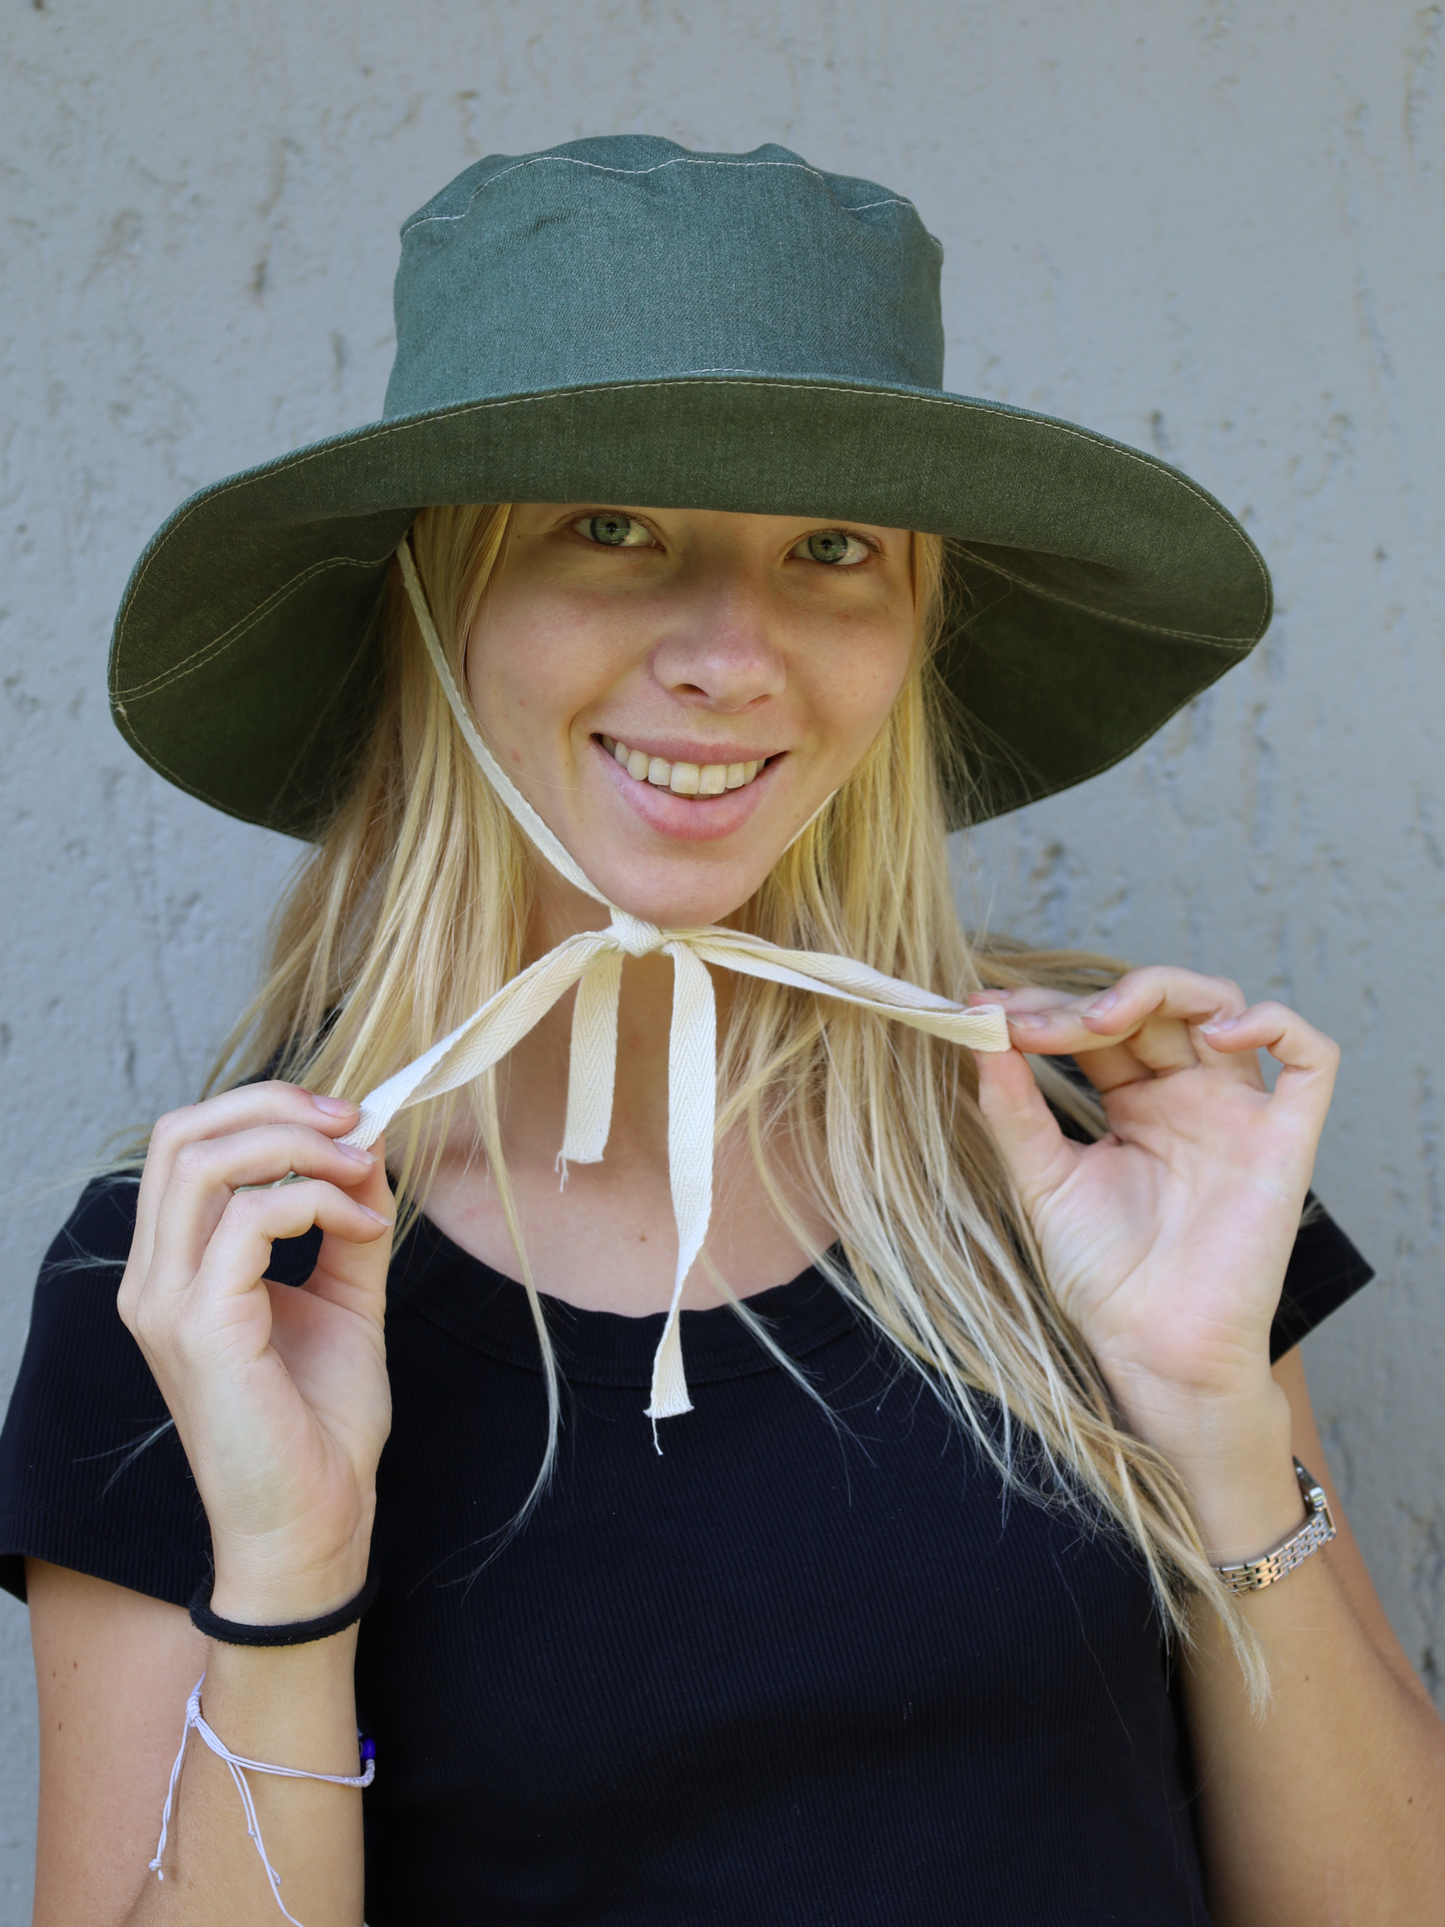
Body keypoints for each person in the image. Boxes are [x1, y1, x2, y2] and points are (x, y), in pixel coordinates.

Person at [2, 134, 1442, 1927]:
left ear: (915, 626)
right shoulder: (214, 1275)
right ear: (433, 606)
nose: (734, 653)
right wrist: (288, 1581)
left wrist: (1219, 1420)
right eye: (612, 527)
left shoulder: (1106, 1150)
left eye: (833, 547)